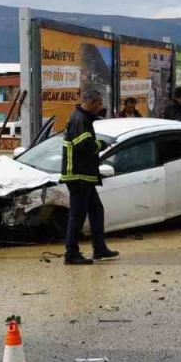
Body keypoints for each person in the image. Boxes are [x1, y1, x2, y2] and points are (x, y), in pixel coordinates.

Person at [61, 88, 119, 265]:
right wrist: (101, 144)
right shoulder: (80, 120)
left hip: (84, 175)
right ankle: (71, 254)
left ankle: (99, 248)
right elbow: (84, 146)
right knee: (77, 216)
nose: (100, 107)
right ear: (92, 102)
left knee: (96, 210)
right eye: (99, 103)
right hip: (78, 175)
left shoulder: (83, 118)